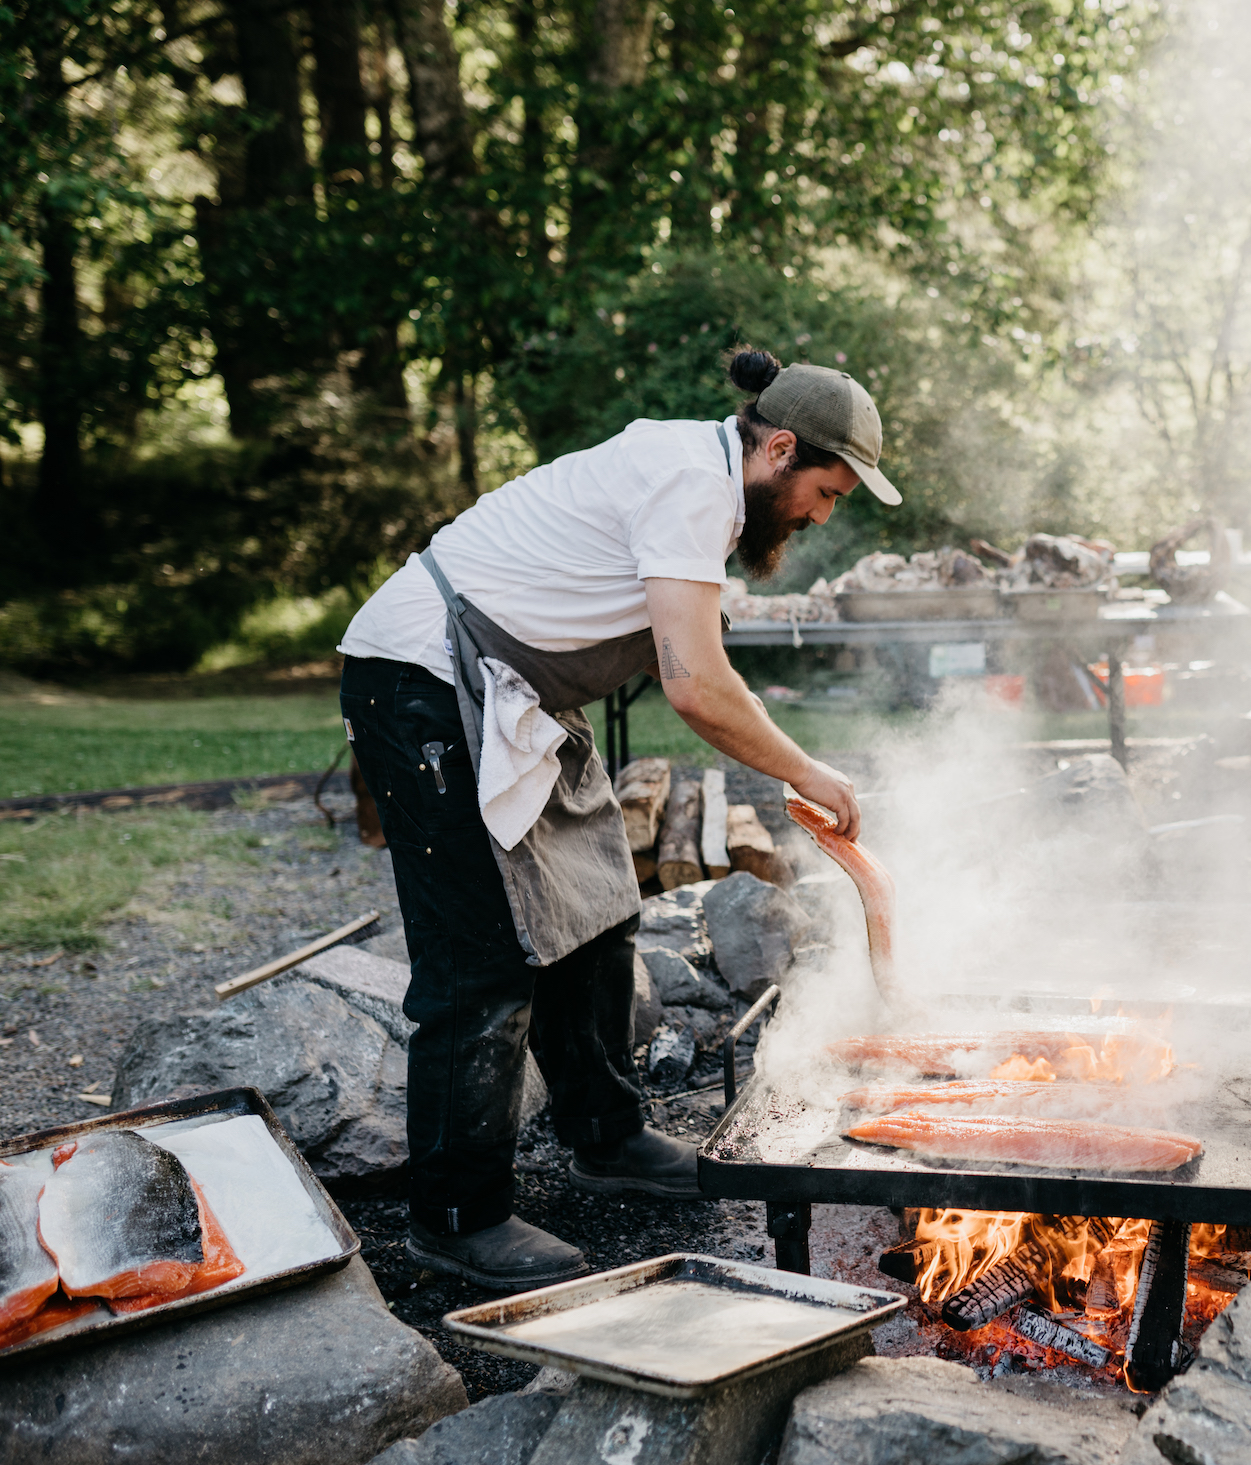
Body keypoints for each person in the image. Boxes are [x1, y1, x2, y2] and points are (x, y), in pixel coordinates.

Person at [335, 349, 896, 1289]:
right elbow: (695, 685)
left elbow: (692, 656)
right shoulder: (691, 485)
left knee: (597, 906)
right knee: (477, 962)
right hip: (425, 682)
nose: (820, 515)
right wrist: (805, 768)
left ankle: (608, 1135)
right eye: (825, 492)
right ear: (781, 450)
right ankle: (454, 1216)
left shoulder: (706, 478)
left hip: (510, 693)